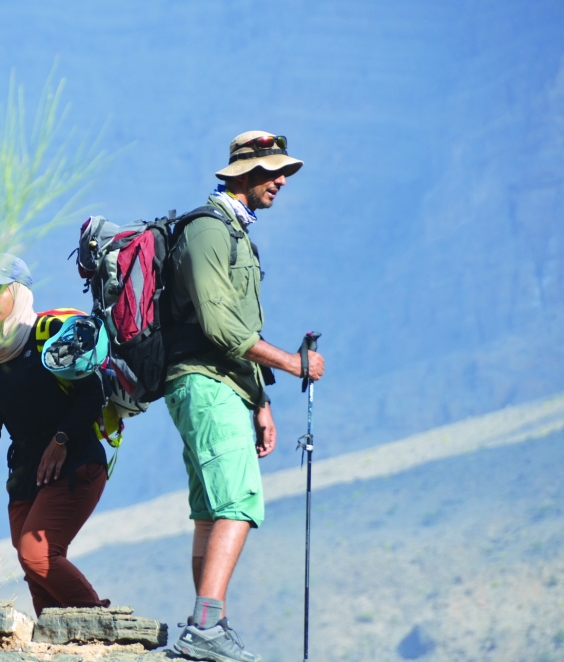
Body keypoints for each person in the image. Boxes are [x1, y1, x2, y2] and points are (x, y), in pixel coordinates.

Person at [167, 132, 325, 662]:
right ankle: (206, 627)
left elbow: (237, 325)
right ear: (241, 173)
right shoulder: (209, 232)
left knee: (211, 510)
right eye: (273, 170)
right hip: (204, 382)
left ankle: (211, 624)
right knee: (237, 501)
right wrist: (292, 364)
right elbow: (218, 325)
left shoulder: (237, 234)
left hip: (225, 387)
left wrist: (260, 402)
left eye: (284, 171)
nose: (282, 180)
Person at [0, 255, 111, 616]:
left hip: (76, 466)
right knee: (35, 573)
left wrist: (62, 439)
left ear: (18, 292)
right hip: (25, 475)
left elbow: (96, 392)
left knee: (37, 556)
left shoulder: (50, 334)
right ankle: (62, 644)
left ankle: (102, 626)